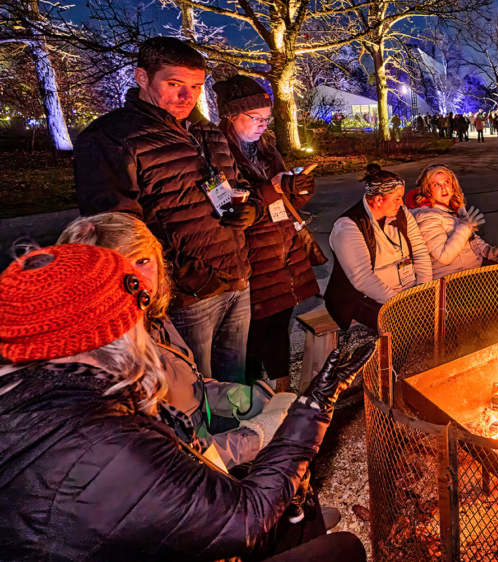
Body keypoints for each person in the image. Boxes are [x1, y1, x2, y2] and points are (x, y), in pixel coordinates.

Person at [0, 243, 371, 562]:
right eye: (137, 308)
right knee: (345, 550)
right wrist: (315, 405)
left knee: (291, 491)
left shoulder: (41, 389)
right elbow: (245, 518)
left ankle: (300, 529)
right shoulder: (102, 442)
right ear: (111, 331)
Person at [74, 37, 256, 384]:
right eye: (174, 85)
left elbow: (237, 187)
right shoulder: (113, 138)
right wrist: (181, 278)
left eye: (195, 87)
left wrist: (253, 213)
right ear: (142, 77)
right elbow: (117, 232)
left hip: (235, 278)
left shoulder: (208, 133)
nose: (187, 97)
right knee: (191, 394)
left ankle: (240, 439)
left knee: (234, 391)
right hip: (184, 297)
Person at [57, 213, 285, 470]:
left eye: (143, 261)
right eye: (117, 269)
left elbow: (185, 384)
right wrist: (257, 436)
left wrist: (234, 397)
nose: (138, 281)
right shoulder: (101, 362)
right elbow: (166, 467)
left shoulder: (152, 318)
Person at [215, 76, 320, 391]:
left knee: (279, 326)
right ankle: (247, 399)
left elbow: (285, 201)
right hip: (252, 258)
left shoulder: (268, 151)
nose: (263, 125)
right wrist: (271, 188)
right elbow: (227, 204)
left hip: (282, 253)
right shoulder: (220, 155)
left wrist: (298, 190)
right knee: (250, 335)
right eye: (255, 118)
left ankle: (282, 390)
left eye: (267, 119)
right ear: (231, 116)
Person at [325, 163, 432, 331]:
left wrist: (423, 289)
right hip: (365, 298)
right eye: (397, 198)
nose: (401, 203)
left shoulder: (402, 213)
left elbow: (420, 251)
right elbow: (363, 278)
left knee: (440, 316)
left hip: (407, 290)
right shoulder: (348, 226)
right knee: (406, 328)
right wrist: (399, 304)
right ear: (378, 199)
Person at [407, 164, 498, 278]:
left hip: (471, 269)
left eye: (447, 182)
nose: (444, 188)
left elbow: (469, 238)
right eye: (436, 185)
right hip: (452, 279)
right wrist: (466, 227)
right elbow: (444, 257)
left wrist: (488, 250)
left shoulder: (454, 208)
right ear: (428, 190)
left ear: (453, 185)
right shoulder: (427, 217)